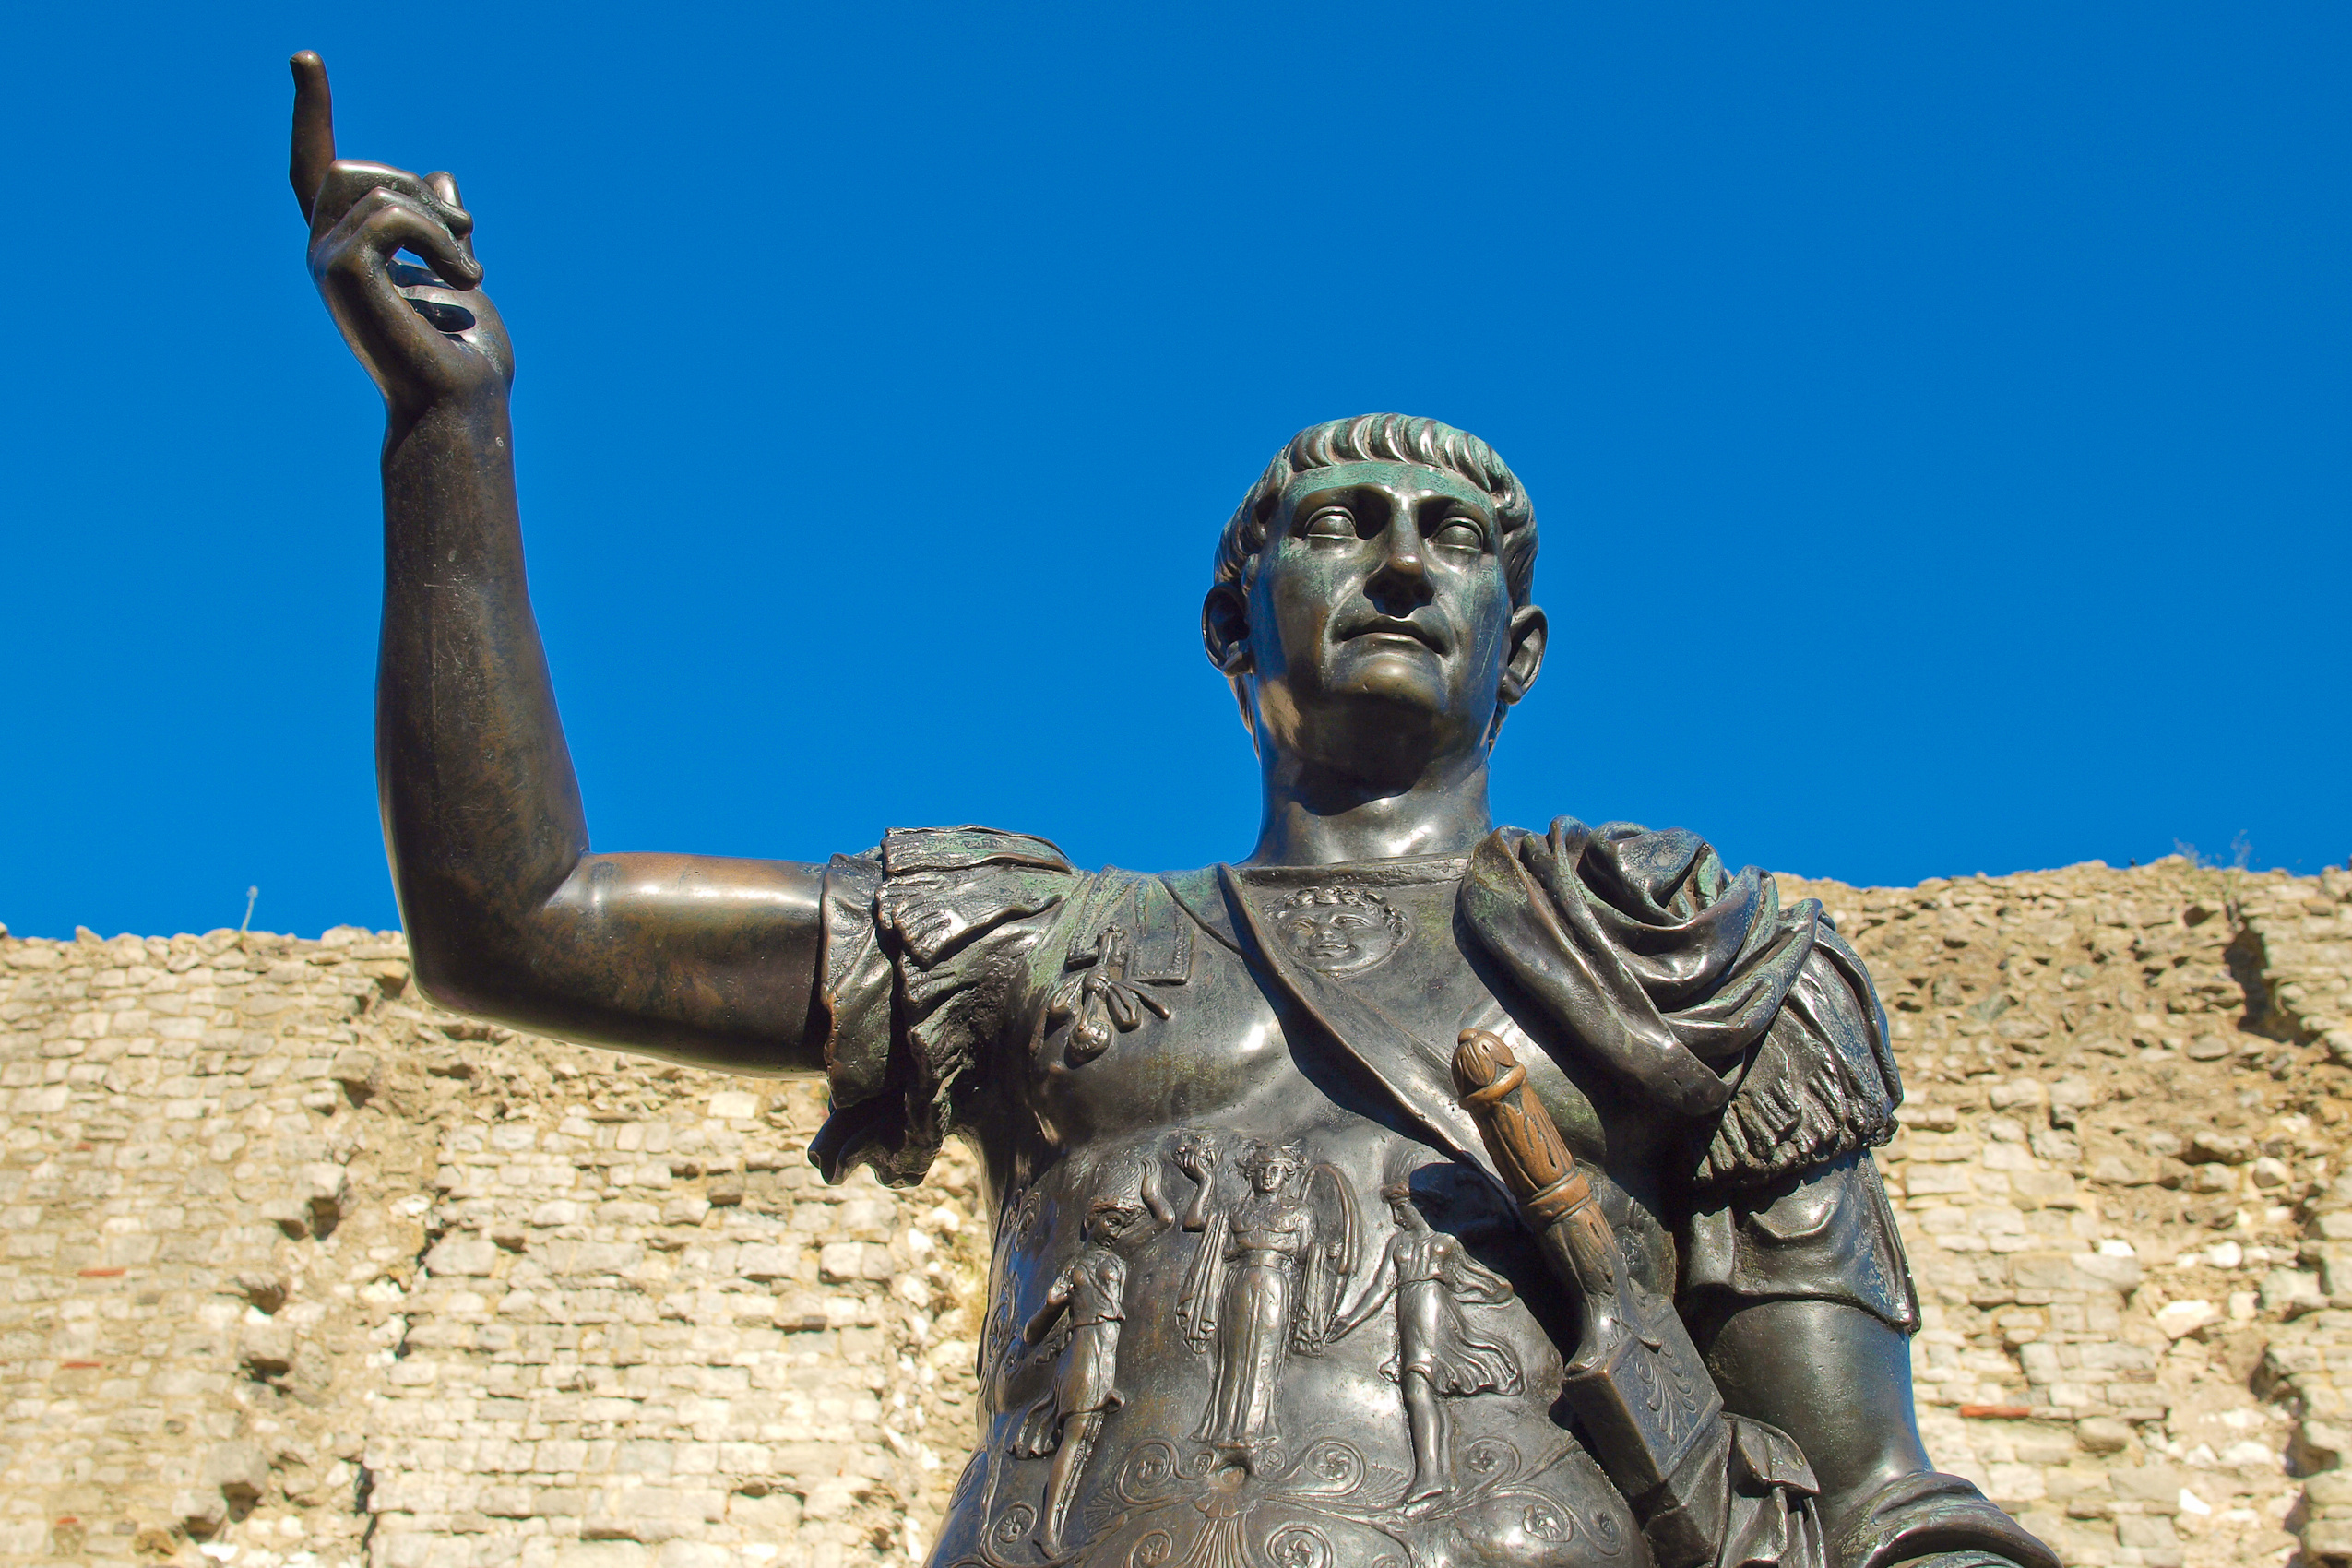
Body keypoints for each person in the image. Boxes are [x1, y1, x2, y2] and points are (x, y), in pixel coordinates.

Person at [291, 51, 2052, 1568]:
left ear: (1518, 652)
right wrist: (450, 429)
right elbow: (517, 919)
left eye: (1451, 542)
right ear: (1233, 621)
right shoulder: (1038, 946)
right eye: (1342, 524)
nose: (1397, 561)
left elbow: (1866, 1496)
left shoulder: (1679, 967)